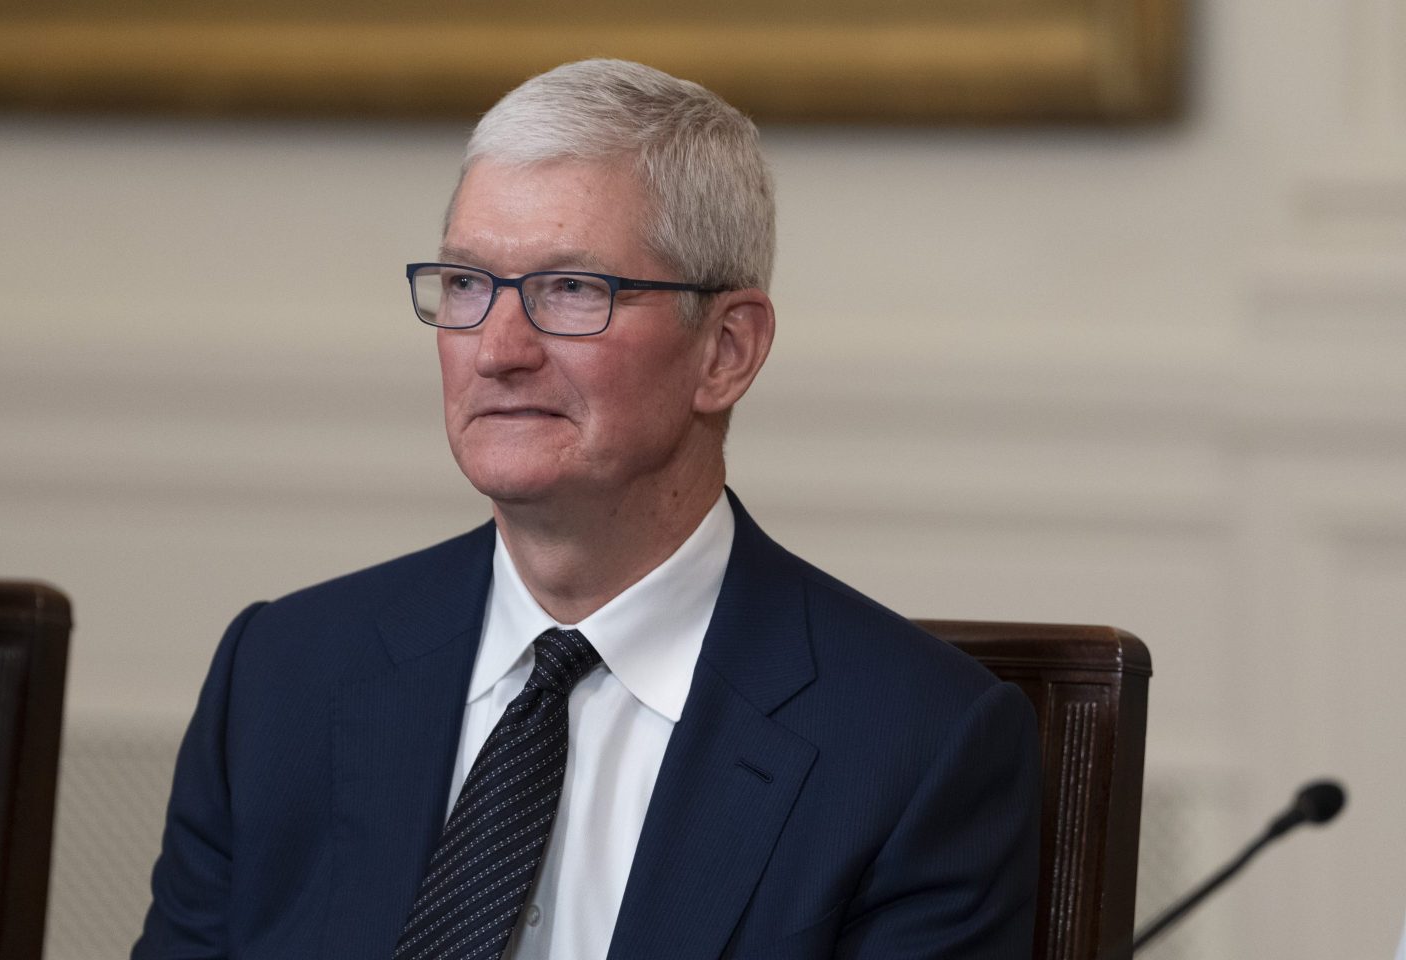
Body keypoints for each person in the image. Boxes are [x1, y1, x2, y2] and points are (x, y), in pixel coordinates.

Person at [134, 59, 1040, 960]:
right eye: (466, 283)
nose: (497, 350)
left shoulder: (915, 747)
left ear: (726, 350)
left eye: (571, 290)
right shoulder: (281, 676)